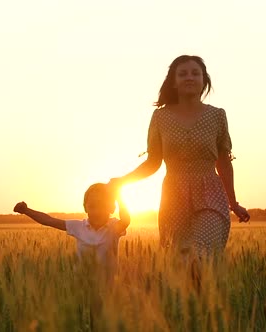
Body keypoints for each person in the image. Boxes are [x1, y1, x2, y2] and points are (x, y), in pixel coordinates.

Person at [109, 55, 250, 257]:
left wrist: (233, 203)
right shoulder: (160, 117)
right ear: (173, 82)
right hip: (173, 197)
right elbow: (153, 163)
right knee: (180, 260)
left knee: (202, 252)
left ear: (204, 80)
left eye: (195, 73)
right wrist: (123, 181)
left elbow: (224, 162)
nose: (189, 78)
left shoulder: (217, 116)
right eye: (182, 74)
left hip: (210, 194)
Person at [13, 183, 130, 278]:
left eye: (101, 205)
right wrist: (26, 211)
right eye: (92, 206)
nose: (96, 211)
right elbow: (48, 220)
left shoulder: (114, 227)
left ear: (111, 207)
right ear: (85, 207)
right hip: (80, 286)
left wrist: (119, 196)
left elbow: (126, 221)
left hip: (108, 290)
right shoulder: (78, 226)